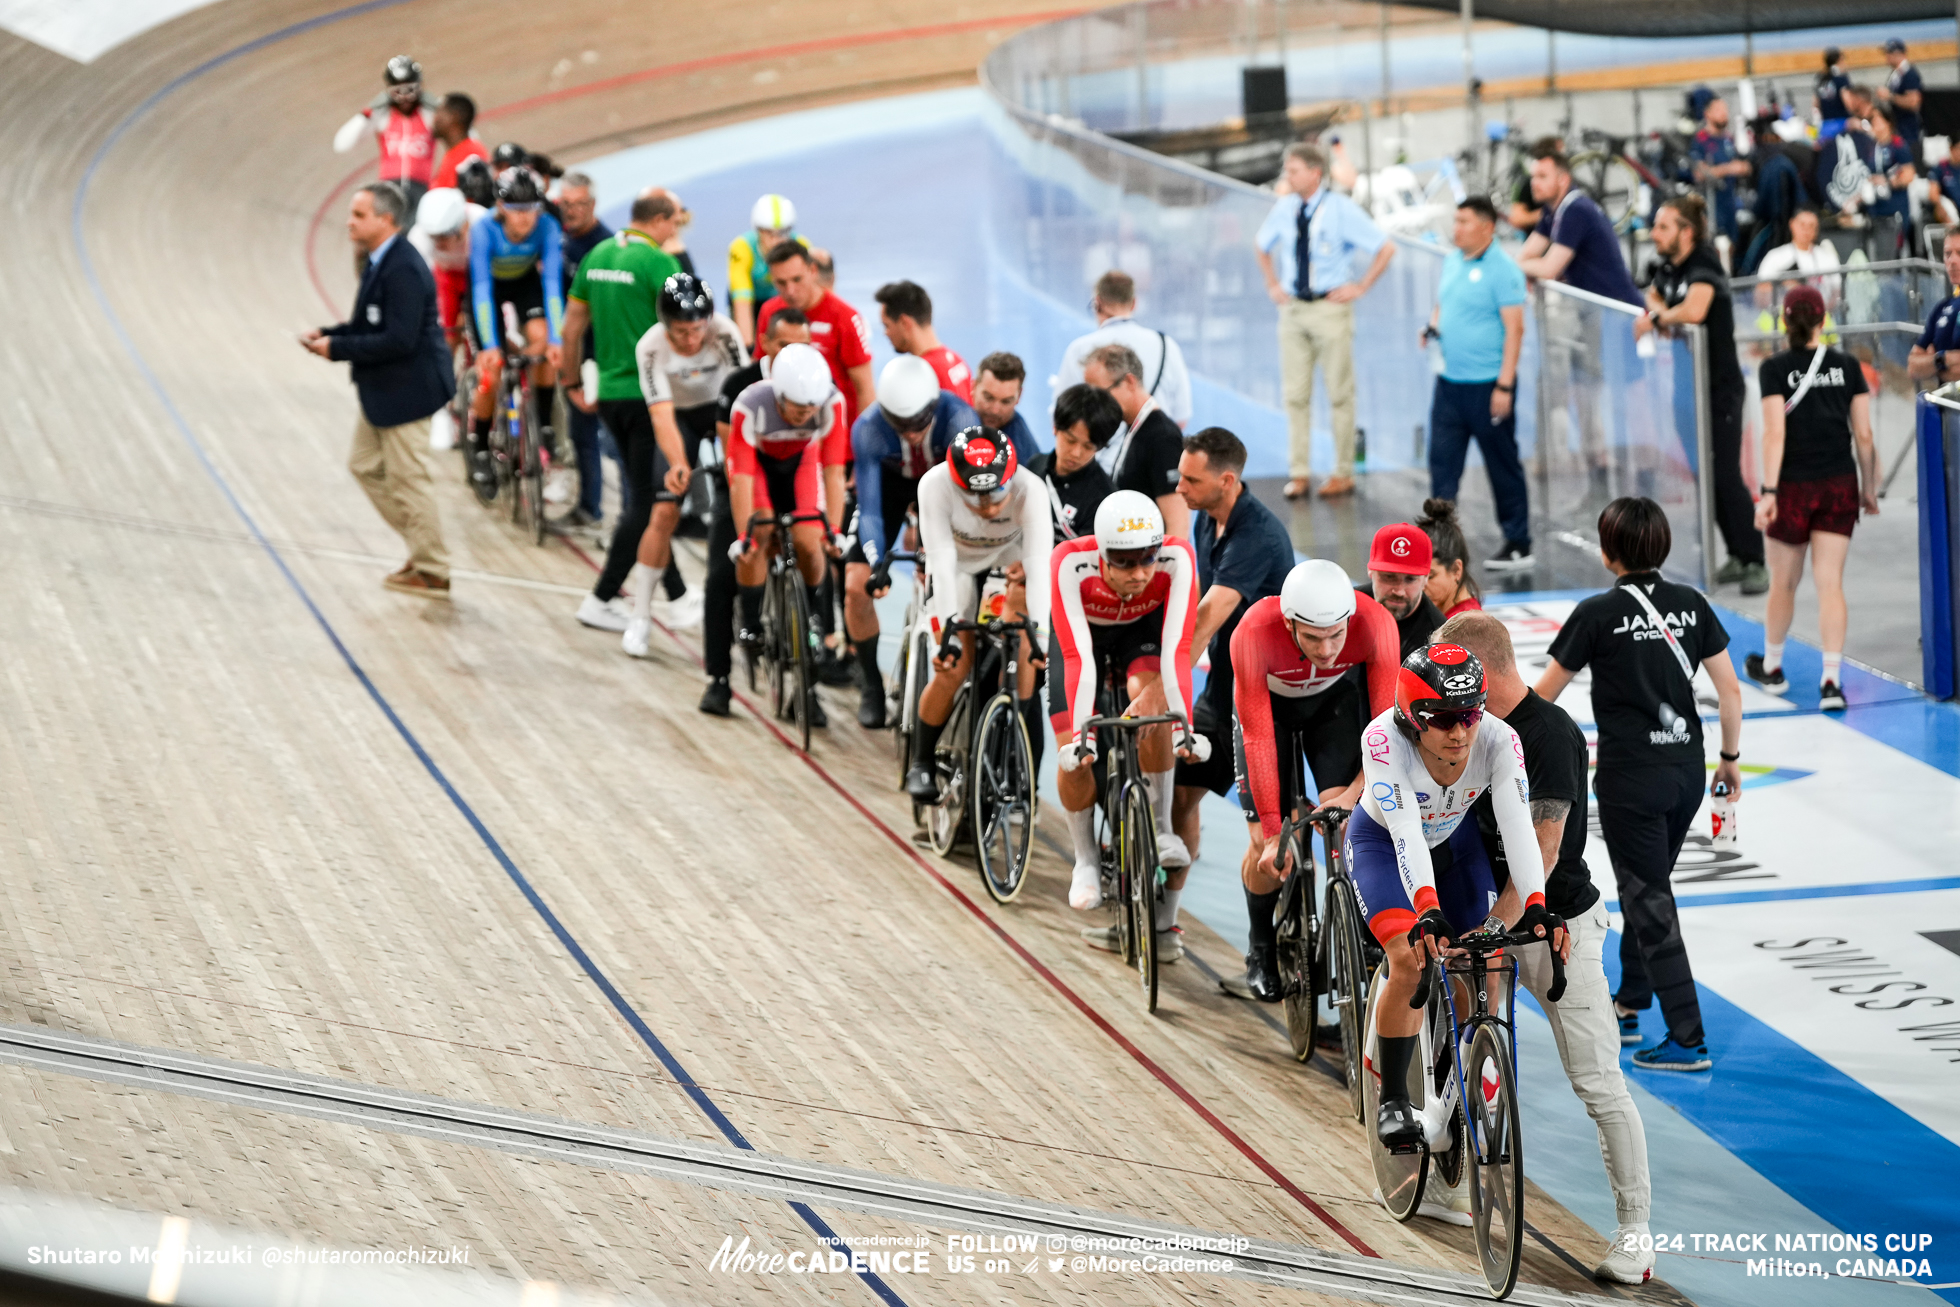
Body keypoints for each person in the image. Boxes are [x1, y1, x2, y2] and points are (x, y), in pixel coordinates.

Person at [1437, 612, 1655, 1285]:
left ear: (1485, 670)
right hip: (1496, 920)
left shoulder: (1550, 733)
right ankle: (1450, 1133)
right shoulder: (1472, 729)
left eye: (1457, 679)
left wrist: (1494, 924)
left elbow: (1545, 846)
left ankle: (1637, 1233)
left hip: (1560, 927)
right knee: (1469, 1031)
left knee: (1597, 1082)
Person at [1536, 496, 1745, 1074]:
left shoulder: (1598, 613)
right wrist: (1729, 759)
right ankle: (1629, 1002)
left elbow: (1543, 697)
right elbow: (1730, 691)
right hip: (1687, 774)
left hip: (1630, 780)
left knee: (1649, 898)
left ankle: (1687, 1038)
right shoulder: (1692, 605)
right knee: (1645, 883)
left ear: (1608, 553)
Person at [1349, 641, 1563, 1153]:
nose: (1460, 731)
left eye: (1469, 714)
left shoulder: (1500, 739)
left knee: (1480, 958)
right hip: (1383, 846)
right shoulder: (1382, 739)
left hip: (1454, 846)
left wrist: (1535, 903)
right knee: (1410, 958)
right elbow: (1403, 832)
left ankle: (1459, 1082)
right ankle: (1394, 1099)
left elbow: (1518, 827)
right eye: (1442, 719)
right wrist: (1426, 908)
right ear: (1411, 719)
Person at [1230, 560, 1401, 1000]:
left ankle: (1353, 922)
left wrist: (1353, 794)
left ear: (1349, 620)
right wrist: (1272, 833)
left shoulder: (1375, 623)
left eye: (1336, 636)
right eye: (1312, 637)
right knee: (1270, 847)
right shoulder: (1254, 630)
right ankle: (1261, 945)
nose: (1326, 650)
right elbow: (1259, 738)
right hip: (1270, 716)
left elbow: (1387, 735)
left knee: (1352, 820)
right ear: (1288, 624)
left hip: (1333, 709)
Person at [1048, 492, 1203, 923]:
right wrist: (1082, 736)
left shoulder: (1177, 556)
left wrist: (1181, 728)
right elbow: (1077, 658)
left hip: (1143, 634)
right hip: (1083, 643)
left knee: (1150, 703)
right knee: (1073, 756)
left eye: (1147, 560)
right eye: (1124, 563)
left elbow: (1179, 649)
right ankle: (1085, 860)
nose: (1138, 574)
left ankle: (1160, 829)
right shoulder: (1069, 561)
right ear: (1100, 554)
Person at [302, 183, 455, 598]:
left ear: (386, 220)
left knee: (409, 480)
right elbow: (372, 325)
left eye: (358, 215)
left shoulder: (402, 267)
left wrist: (337, 349)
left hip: (408, 392)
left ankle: (433, 568)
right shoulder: (379, 260)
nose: (349, 222)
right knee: (364, 464)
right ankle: (425, 548)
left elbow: (399, 340)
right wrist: (330, 334)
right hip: (385, 391)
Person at [1163, 428, 1292, 899]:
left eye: (1190, 480)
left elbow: (1207, 617)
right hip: (1223, 687)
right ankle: (1165, 917)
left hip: (1267, 700)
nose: (1179, 488)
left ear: (1227, 480)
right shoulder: (1207, 517)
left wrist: (1162, 688)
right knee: (1180, 791)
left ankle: (1272, 947)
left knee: (1265, 836)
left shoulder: (1256, 535)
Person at [902, 428, 1053, 803]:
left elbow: (1038, 566)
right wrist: (949, 634)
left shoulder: (1031, 488)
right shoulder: (934, 485)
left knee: (1025, 648)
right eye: (975, 496)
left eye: (996, 495)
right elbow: (941, 561)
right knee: (954, 663)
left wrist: (1042, 636)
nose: (987, 507)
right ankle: (920, 761)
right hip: (957, 567)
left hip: (1009, 562)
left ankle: (1007, 744)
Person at [558, 190, 685, 633]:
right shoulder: (658, 263)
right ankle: (602, 596)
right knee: (648, 503)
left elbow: (571, 329)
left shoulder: (598, 254)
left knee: (644, 498)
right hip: (651, 397)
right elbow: (685, 332)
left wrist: (571, 382)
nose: (676, 233)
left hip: (609, 393)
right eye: (675, 224)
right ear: (661, 221)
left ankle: (679, 594)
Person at [1746, 286, 1877, 712]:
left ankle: (1774, 667)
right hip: (1839, 482)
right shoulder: (1848, 366)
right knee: (1829, 582)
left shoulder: (1774, 368)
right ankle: (1832, 680)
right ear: (1824, 320)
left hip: (1793, 487)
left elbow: (1774, 434)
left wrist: (1768, 493)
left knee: (1783, 581)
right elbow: (1864, 436)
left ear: (1785, 322)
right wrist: (1869, 487)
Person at [1638, 194, 1766, 594]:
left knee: (1725, 474)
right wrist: (1659, 309)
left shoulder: (1704, 263)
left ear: (1686, 232)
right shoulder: (1670, 267)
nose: (1655, 234)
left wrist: (1660, 317)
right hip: (1686, 388)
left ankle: (1755, 559)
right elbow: (1651, 294)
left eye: (1664, 226)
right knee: (1703, 476)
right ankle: (1736, 554)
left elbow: (1694, 310)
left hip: (1720, 390)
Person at [1254, 143, 1394, 500]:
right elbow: (1262, 244)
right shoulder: (1285, 208)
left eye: (1295, 169)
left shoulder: (1340, 210)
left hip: (1329, 308)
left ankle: (1342, 471)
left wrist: (1360, 286)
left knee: (1339, 393)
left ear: (1315, 172)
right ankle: (1299, 472)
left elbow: (1385, 247)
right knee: (1295, 395)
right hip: (1294, 309)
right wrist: (1273, 284)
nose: (1289, 175)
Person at [849, 357, 984, 727]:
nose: (910, 433)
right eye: (900, 424)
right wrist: (878, 561)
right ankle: (872, 686)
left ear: (933, 406)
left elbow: (968, 501)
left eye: (919, 423)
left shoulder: (960, 419)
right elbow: (871, 509)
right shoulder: (869, 428)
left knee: (949, 576)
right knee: (855, 586)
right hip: (890, 491)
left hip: (943, 490)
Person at [618, 274, 748, 656]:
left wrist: (737, 463)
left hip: (722, 412)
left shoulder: (724, 332)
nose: (691, 340)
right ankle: (640, 615)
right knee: (663, 511)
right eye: (680, 331)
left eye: (696, 330)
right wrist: (678, 465)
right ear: (664, 325)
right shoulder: (651, 347)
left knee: (746, 497)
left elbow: (744, 398)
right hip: (679, 418)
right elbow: (661, 416)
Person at [727, 342, 852, 730]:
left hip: (801, 465)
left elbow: (833, 472)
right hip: (760, 470)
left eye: (811, 407)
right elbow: (742, 479)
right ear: (778, 395)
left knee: (811, 541)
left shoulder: (831, 403)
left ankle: (814, 616)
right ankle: (750, 620)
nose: (807, 414)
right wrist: (745, 537)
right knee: (759, 536)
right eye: (799, 408)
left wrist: (833, 530)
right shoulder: (749, 405)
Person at [700, 310, 813, 716]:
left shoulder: (812, 383)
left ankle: (811, 678)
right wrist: (748, 531)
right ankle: (719, 679)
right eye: (785, 345)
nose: (793, 354)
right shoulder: (739, 385)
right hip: (745, 477)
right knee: (721, 575)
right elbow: (737, 463)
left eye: (803, 345)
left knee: (815, 550)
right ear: (765, 343)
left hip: (792, 476)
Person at [1426, 196, 1530, 570]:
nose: (1456, 228)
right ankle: (1441, 544)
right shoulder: (1453, 260)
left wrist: (1505, 385)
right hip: (1449, 384)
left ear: (1486, 227)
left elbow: (1515, 328)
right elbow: (1442, 303)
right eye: (1455, 220)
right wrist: (1434, 326)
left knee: (1502, 465)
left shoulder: (1504, 270)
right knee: (1441, 466)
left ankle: (1519, 541)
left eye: (1464, 222)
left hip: (1488, 387)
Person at [463, 167, 564, 492]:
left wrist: (556, 339)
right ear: (501, 207)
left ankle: (544, 423)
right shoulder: (483, 229)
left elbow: (551, 284)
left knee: (545, 347)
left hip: (525, 284)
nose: (525, 218)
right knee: (490, 374)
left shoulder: (547, 225)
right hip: (487, 288)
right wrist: (490, 346)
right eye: (517, 210)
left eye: (531, 209)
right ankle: (478, 447)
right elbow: (480, 289)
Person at [1053, 270, 1192, 429]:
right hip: (1155, 448)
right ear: (1134, 303)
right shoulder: (1167, 346)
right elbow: (1181, 417)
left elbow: (1062, 416)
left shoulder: (1079, 350)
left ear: (1097, 303)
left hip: (1101, 451)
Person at [756, 243, 874, 427]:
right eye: (781, 283)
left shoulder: (845, 318)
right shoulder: (769, 312)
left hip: (836, 432)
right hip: (784, 434)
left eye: (797, 279)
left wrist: (862, 440)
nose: (790, 291)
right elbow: (761, 371)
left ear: (812, 270)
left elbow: (864, 388)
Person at [1082, 343, 1190, 541]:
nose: (1095, 405)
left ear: (1129, 382)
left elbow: (1177, 525)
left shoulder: (1162, 437)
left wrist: (1168, 569)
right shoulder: (1133, 428)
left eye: (1100, 395)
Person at [555, 171, 614, 530]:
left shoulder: (601, 246)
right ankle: (588, 505)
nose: (571, 211)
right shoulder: (560, 238)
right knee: (580, 432)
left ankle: (594, 508)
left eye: (579, 204)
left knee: (593, 431)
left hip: (594, 352)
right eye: (566, 204)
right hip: (572, 347)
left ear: (592, 205)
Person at [1516, 142, 1642, 307]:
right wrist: (1523, 266)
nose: (1534, 183)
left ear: (1563, 179)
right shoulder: (1551, 210)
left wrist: (1518, 266)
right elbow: (1526, 255)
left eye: (1542, 176)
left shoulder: (1577, 210)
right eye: (1533, 177)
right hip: (1594, 309)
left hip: (1619, 308)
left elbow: (1548, 269)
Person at [333, 56, 438, 224]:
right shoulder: (382, 116)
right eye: (397, 92)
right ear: (388, 92)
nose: (404, 98)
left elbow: (465, 134)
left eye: (411, 90)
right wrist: (368, 112)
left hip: (421, 189)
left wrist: (442, 108)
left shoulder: (429, 115)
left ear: (421, 88)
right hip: (389, 190)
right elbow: (341, 145)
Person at [1030, 383, 1120, 544]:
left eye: (1088, 446)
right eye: (1070, 440)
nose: (1076, 453)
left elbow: (1085, 563)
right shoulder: (1034, 466)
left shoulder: (1104, 501)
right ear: (1055, 428)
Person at [1357, 522, 1444, 659]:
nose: (1399, 591)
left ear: (1426, 578)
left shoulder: (1437, 643)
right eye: (1389, 577)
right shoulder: (1344, 610)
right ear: (1370, 571)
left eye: (1410, 580)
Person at [727, 193, 803, 349]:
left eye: (782, 233)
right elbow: (742, 303)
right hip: (752, 300)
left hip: (785, 298)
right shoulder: (741, 249)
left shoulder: (802, 246)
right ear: (759, 231)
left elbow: (810, 297)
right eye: (770, 233)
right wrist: (748, 348)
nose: (777, 241)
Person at [873, 281, 971, 401]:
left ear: (904, 323)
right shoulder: (958, 362)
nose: (885, 333)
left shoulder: (920, 376)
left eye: (887, 326)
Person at [1754, 208, 1843, 313]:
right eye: (1802, 224)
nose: (1806, 230)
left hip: (1819, 317)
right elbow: (1760, 293)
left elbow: (1837, 293)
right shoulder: (1775, 256)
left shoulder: (1828, 258)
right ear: (1792, 224)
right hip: (1784, 319)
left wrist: (1820, 311)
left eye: (1811, 226)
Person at [1689, 97, 1750, 244]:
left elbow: (1744, 166)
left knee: (1732, 245)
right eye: (1718, 110)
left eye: (1725, 110)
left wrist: (1742, 167)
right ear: (1707, 114)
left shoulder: (1728, 139)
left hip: (1731, 205)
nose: (1724, 114)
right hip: (1711, 207)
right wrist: (1729, 169)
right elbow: (1699, 173)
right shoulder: (1701, 140)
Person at [1909, 230, 1960, 390]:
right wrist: (1941, 360)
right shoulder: (1942, 308)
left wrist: (1931, 366)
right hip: (1948, 409)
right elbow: (1913, 366)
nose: (1952, 261)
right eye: (1947, 254)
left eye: (1959, 253)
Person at [1417, 499, 1481, 618]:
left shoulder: (1466, 626)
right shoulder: (1437, 613)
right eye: (1415, 577)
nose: (1421, 586)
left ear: (1456, 570)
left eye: (1430, 576)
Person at [969, 352, 1038, 459]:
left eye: (1005, 402)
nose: (995, 410)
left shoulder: (1021, 456)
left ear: (1019, 396)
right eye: (989, 398)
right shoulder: (946, 415)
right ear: (973, 387)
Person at [429, 93, 487, 190]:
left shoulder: (471, 156)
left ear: (455, 116)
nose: (434, 118)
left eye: (439, 112)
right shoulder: (453, 154)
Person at [1878, 38, 1923, 164]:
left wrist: (1890, 96)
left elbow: (1913, 102)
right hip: (1899, 129)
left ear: (1898, 54)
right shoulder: (1896, 74)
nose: (1886, 57)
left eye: (1888, 53)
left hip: (1909, 132)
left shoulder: (1909, 74)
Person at [1814, 47, 1850, 130]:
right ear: (1839, 60)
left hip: (1826, 124)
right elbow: (1847, 100)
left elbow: (1816, 103)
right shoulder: (1841, 78)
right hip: (1841, 123)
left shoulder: (1821, 79)